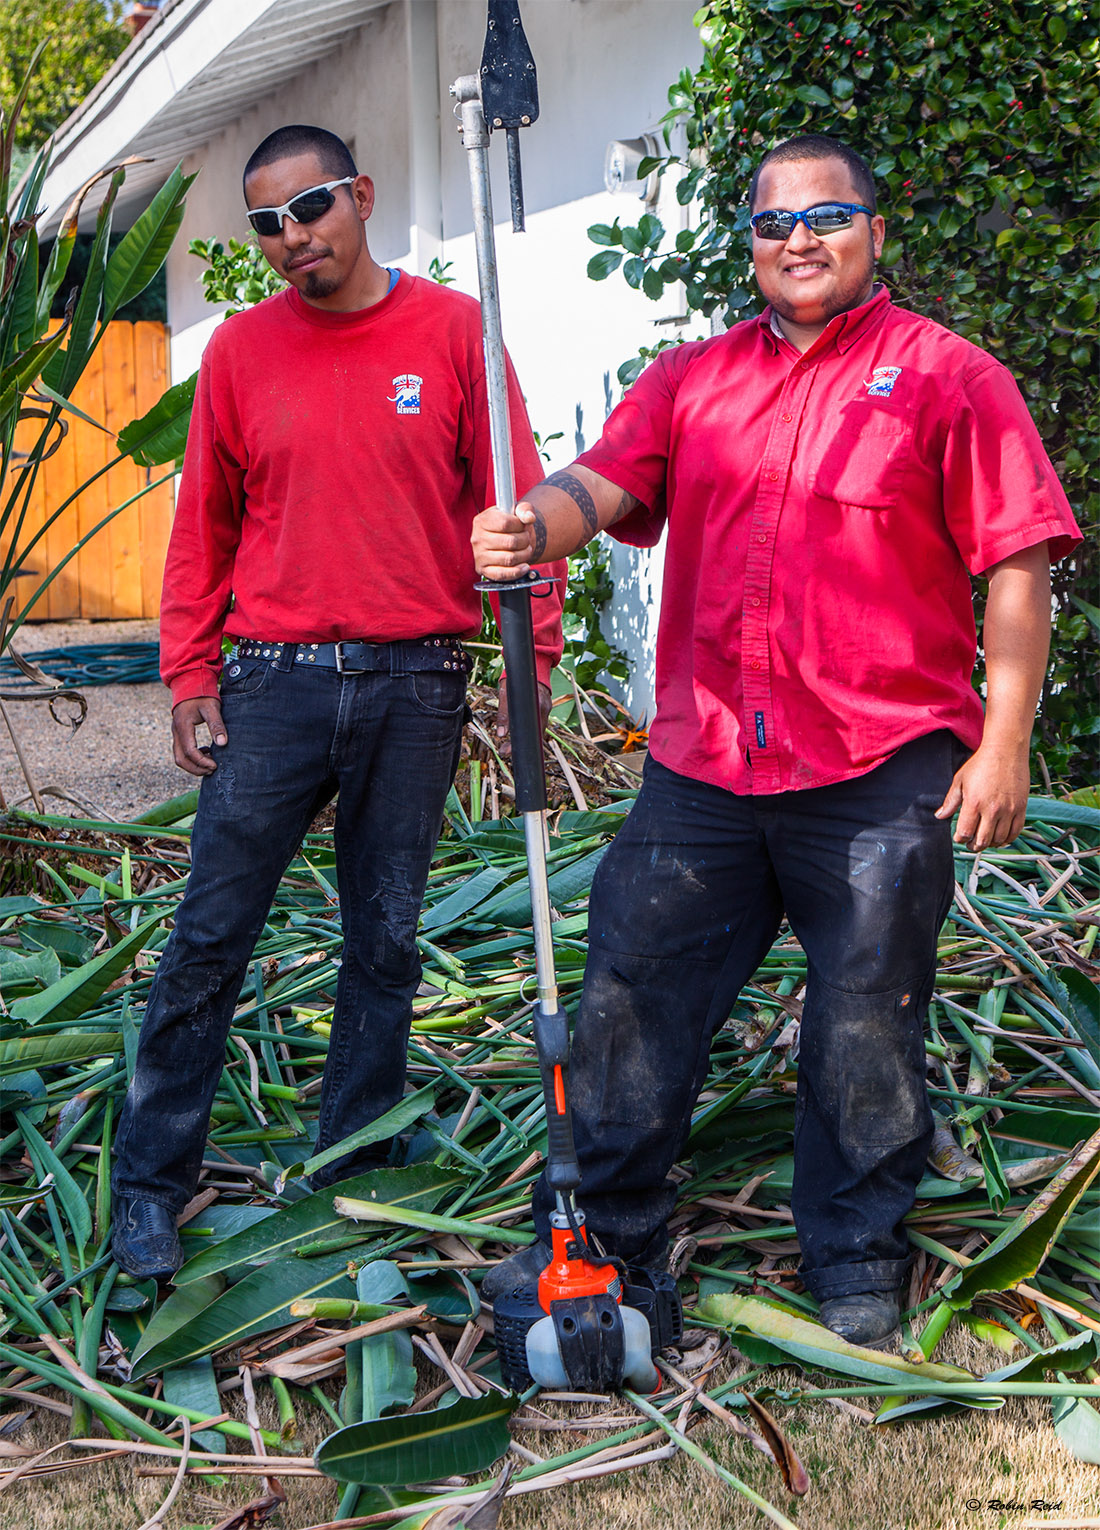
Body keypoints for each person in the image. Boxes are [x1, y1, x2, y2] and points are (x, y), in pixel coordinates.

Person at [472, 134, 1081, 1345]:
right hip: (704, 763)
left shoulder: (948, 377)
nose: (798, 240)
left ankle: (853, 1259)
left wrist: (1001, 741)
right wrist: (530, 527)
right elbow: (599, 484)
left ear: (872, 231)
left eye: (827, 216)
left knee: (866, 1012)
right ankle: (609, 1245)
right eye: (772, 225)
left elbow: (1013, 565)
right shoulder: (692, 379)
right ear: (746, 244)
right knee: (630, 995)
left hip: (876, 764)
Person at [110, 124, 564, 1281]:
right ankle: (151, 1188)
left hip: (417, 680)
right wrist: (189, 674)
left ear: (360, 195)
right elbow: (201, 528)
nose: (288, 239)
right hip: (274, 682)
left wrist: (534, 666)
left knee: (387, 940)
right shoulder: (241, 355)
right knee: (210, 934)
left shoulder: (458, 332)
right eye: (264, 224)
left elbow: (515, 511)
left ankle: (354, 1165)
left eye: (307, 209)